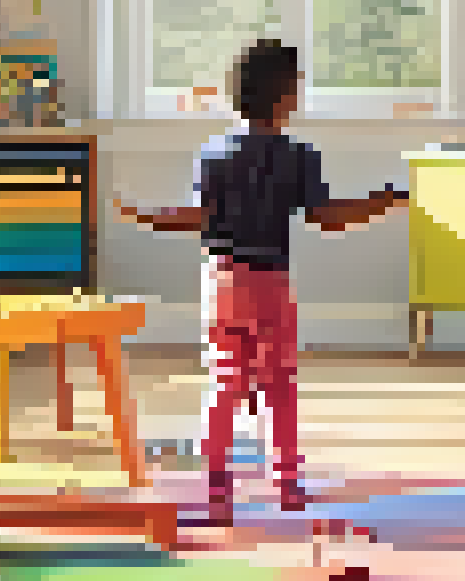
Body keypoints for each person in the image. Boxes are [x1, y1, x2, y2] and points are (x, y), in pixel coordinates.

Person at [115, 40, 407, 523]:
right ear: (286, 95)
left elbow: (197, 216)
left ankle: (215, 483)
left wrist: (142, 214)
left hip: (224, 281)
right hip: (271, 283)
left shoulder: (214, 153)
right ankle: (287, 482)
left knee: (225, 382)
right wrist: (388, 198)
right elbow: (328, 217)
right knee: (279, 384)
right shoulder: (298, 155)